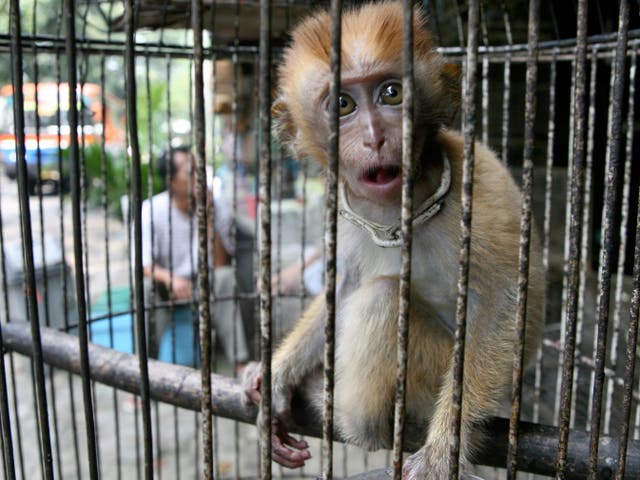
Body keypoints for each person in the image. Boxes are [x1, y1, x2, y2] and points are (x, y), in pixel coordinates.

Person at [139, 145, 249, 371]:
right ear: (171, 181)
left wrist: (208, 216)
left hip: (202, 284)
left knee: (226, 277)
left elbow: (220, 264)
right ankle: (143, 371)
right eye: (191, 172)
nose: (200, 178)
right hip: (166, 285)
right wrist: (171, 279)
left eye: (201, 170)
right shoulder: (151, 210)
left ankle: (240, 364)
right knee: (144, 288)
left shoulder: (215, 204)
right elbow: (144, 264)